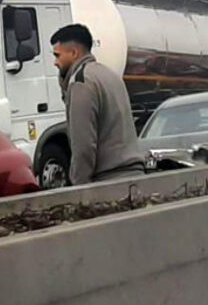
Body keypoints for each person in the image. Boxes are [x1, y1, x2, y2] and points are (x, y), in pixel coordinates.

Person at [50, 24, 146, 186]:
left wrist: (80, 189)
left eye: (58, 55)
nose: (55, 62)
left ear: (74, 53)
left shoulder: (81, 82)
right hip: (134, 175)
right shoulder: (110, 75)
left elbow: (83, 145)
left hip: (108, 182)